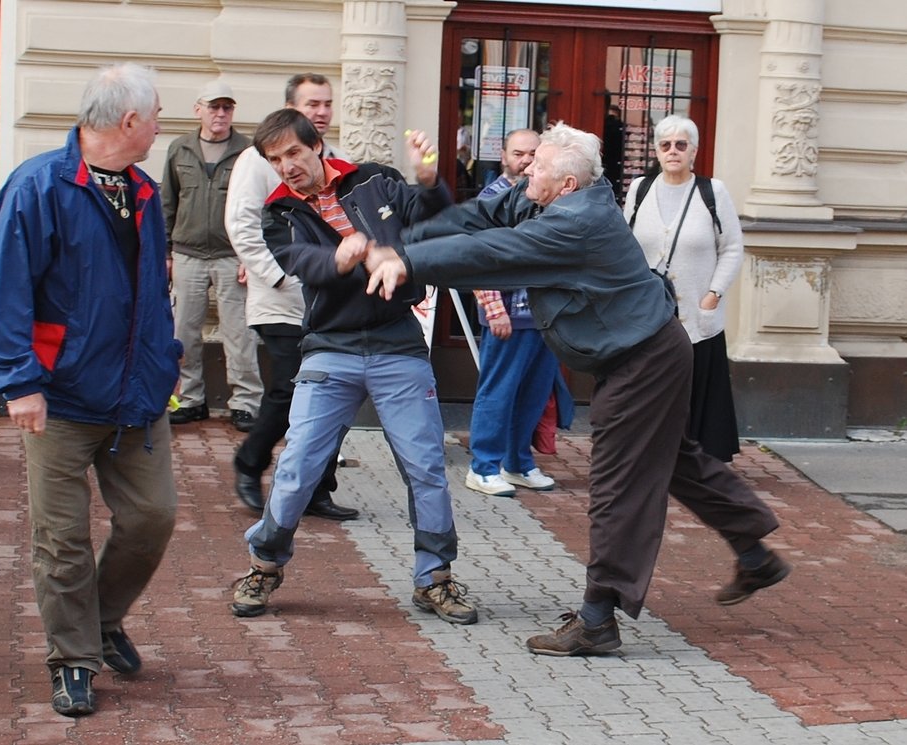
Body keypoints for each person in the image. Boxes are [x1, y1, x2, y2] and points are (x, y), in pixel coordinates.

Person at [366, 121, 789, 656]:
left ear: (566, 183)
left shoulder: (575, 223)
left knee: (616, 488)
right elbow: (482, 216)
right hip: (642, 353)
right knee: (673, 461)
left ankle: (597, 619)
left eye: (536, 166)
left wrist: (407, 263)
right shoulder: (549, 197)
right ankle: (755, 554)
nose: (525, 171)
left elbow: (495, 252)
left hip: (646, 362)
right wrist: (401, 243)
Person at [0, 63, 181, 716]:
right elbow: (5, 290)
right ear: (129, 122)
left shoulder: (145, 191)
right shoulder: (37, 186)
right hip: (59, 401)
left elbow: (152, 293)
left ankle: (101, 619)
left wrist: (166, 362)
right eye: (153, 117)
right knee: (61, 540)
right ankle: (72, 660)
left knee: (152, 518)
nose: (157, 128)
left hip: (137, 399)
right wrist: (18, 384)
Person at [229, 109, 478, 626]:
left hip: (397, 344)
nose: (286, 167)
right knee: (298, 467)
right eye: (275, 160)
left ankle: (435, 577)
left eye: (293, 153)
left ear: (316, 145)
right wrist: (342, 258)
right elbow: (303, 265)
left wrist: (430, 179)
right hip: (329, 348)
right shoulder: (278, 213)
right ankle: (264, 564)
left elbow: (428, 216)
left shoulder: (374, 180)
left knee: (425, 467)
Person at [225, 72, 358, 521]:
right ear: (290, 108)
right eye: (311, 105)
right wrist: (281, 278)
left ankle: (318, 489)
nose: (320, 112)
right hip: (279, 301)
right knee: (287, 392)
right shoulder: (257, 160)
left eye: (326, 104)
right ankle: (249, 464)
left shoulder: (335, 158)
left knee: (333, 393)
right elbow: (242, 225)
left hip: (330, 305)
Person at [624, 114, 743, 462]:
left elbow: (732, 247)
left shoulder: (712, 191)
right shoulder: (640, 189)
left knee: (697, 383)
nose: (673, 151)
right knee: (651, 384)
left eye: (681, 144)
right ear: (657, 151)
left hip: (696, 310)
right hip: (649, 311)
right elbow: (625, 243)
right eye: (665, 145)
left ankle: (697, 458)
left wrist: (714, 293)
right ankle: (653, 454)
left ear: (693, 150)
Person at [161, 81, 263, 432]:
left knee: (239, 333)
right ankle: (191, 400)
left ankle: (246, 403)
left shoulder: (248, 152)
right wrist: (166, 253)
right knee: (184, 333)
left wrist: (251, 256)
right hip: (187, 253)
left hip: (231, 255)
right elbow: (168, 203)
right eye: (214, 107)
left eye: (227, 107)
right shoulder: (179, 149)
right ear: (198, 109)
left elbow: (260, 207)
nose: (220, 114)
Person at [465, 128, 560, 498]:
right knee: (498, 391)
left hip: (545, 313)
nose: (526, 160)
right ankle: (483, 467)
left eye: (533, 154)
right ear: (504, 156)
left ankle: (517, 462)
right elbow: (477, 258)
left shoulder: (546, 197)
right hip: (507, 311)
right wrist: (493, 308)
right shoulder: (492, 199)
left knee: (534, 393)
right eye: (518, 153)